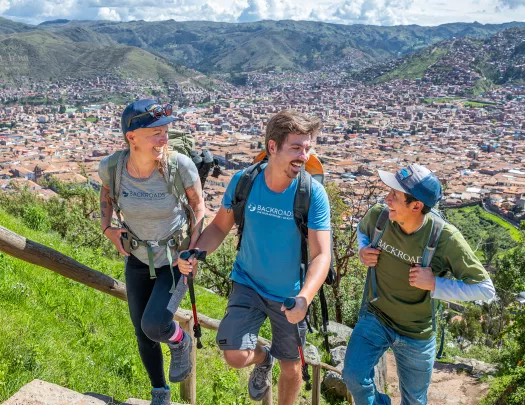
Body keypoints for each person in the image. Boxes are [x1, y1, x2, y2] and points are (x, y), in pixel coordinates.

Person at [179, 110, 332, 405]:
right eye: (296, 147)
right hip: (247, 282)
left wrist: (304, 298)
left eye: (308, 147)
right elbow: (220, 227)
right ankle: (263, 359)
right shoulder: (244, 182)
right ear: (272, 147)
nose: (304, 156)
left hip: (290, 294)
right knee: (235, 355)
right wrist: (196, 252)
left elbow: (322, 254)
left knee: (292, 366)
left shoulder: (312, 194)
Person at [342, 164, 495, 405]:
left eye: (395, 195)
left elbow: (485, 289)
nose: (387, 198)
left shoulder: (445, 238)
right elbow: (362, 230)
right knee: (353, 376)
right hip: (376, 315)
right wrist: (363, 249)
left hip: (417, 332)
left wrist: (435, 283)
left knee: (414, 400)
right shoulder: (380, 216)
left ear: (416, 206)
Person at [98, 99, 205, 405]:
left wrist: (193, 252)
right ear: (132, 137)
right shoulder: (113, 167)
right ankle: (160, 392)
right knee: (142, 334)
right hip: (137, 258)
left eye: (165, 130)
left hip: (174, 260)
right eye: (155, 132)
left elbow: (199, 207)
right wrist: (107, 228)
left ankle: (180, 341)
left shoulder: (178, 166)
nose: (164, 138)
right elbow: (106, 196)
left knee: (155, 324)